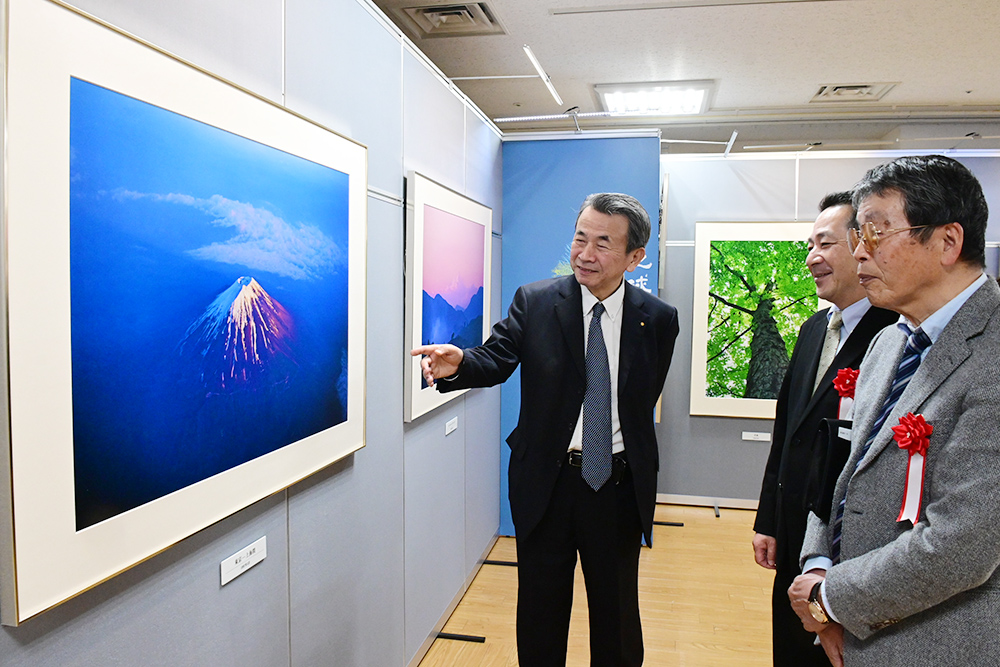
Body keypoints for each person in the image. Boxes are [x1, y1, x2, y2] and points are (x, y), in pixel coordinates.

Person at [411, 192, 679, 666]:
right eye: (580, 238)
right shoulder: (535, 301)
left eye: (602, 243)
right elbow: (496, 357)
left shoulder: (656, 319)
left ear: (635, 257)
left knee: (616, 616)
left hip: (616, 486)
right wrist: (459, 364)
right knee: (540, 612)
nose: (585, 254)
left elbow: (641, 402)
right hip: (547, 484)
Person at [789, 155, 1000, 666]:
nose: (859, 253)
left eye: (877, 233)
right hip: (851, 631)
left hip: (937, 643)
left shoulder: (991, 353)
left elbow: (962, 546)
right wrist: (818, 568)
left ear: (948, 242)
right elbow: (843, 470)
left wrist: (831, 598)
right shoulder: (889, 343)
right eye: (858, 235)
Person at [753, 192, 896, 666]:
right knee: (788, 643)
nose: (812, 258)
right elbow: (787, 430)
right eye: (809, 245)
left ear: (861, 245)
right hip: (794, 529)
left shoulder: (893, 332)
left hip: (845, 542)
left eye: (825, 244)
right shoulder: (813, 328)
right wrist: (768, 520)